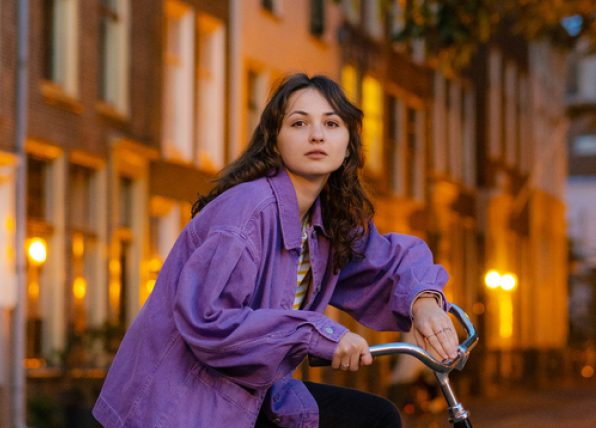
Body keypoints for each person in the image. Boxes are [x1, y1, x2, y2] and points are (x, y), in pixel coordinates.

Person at [94, 73, 459, 428]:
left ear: (348, 143)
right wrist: (317, 334)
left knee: (376, 417)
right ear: (274, 140)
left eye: (332, 125)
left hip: (253, 394)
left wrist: (424, 304)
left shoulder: (326, 222)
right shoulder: (247, 211)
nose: (317, 134)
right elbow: (208, 319)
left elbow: (386, 264)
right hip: (185, 401)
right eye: (299, 124)